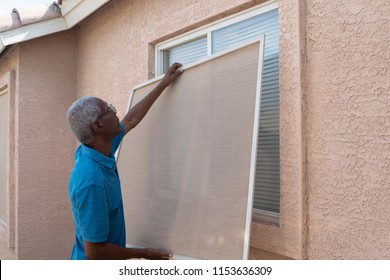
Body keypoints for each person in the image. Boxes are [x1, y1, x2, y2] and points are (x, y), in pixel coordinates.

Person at [66, 62, 183, 260]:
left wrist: (163, 84)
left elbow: (130, 120)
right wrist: (144, 253)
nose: (115, 111)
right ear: (98, 127)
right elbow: (95, 253)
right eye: (109, 109)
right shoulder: (91, 182)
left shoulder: (98, 148)